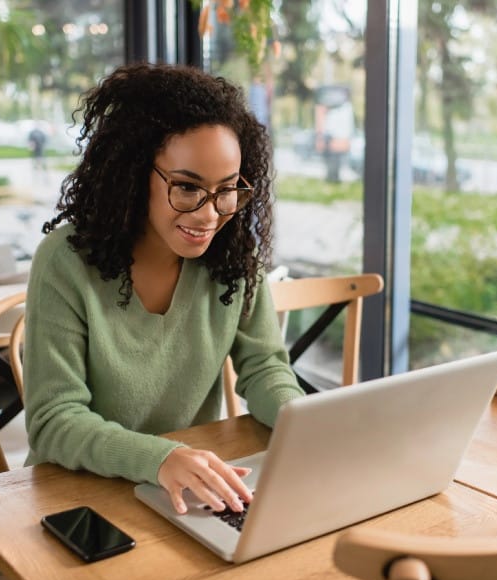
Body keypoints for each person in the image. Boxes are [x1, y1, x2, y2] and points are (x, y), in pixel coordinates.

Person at [23, 63, 304, 516]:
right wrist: (161, 458)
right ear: (134, 175)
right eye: (188, 188)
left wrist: (303, 423)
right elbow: (54, 421)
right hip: (79, 496)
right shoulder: (66, 261)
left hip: (185, 493)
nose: (210, 215)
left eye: (227, 190)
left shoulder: (232, 258)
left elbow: (265, 368)